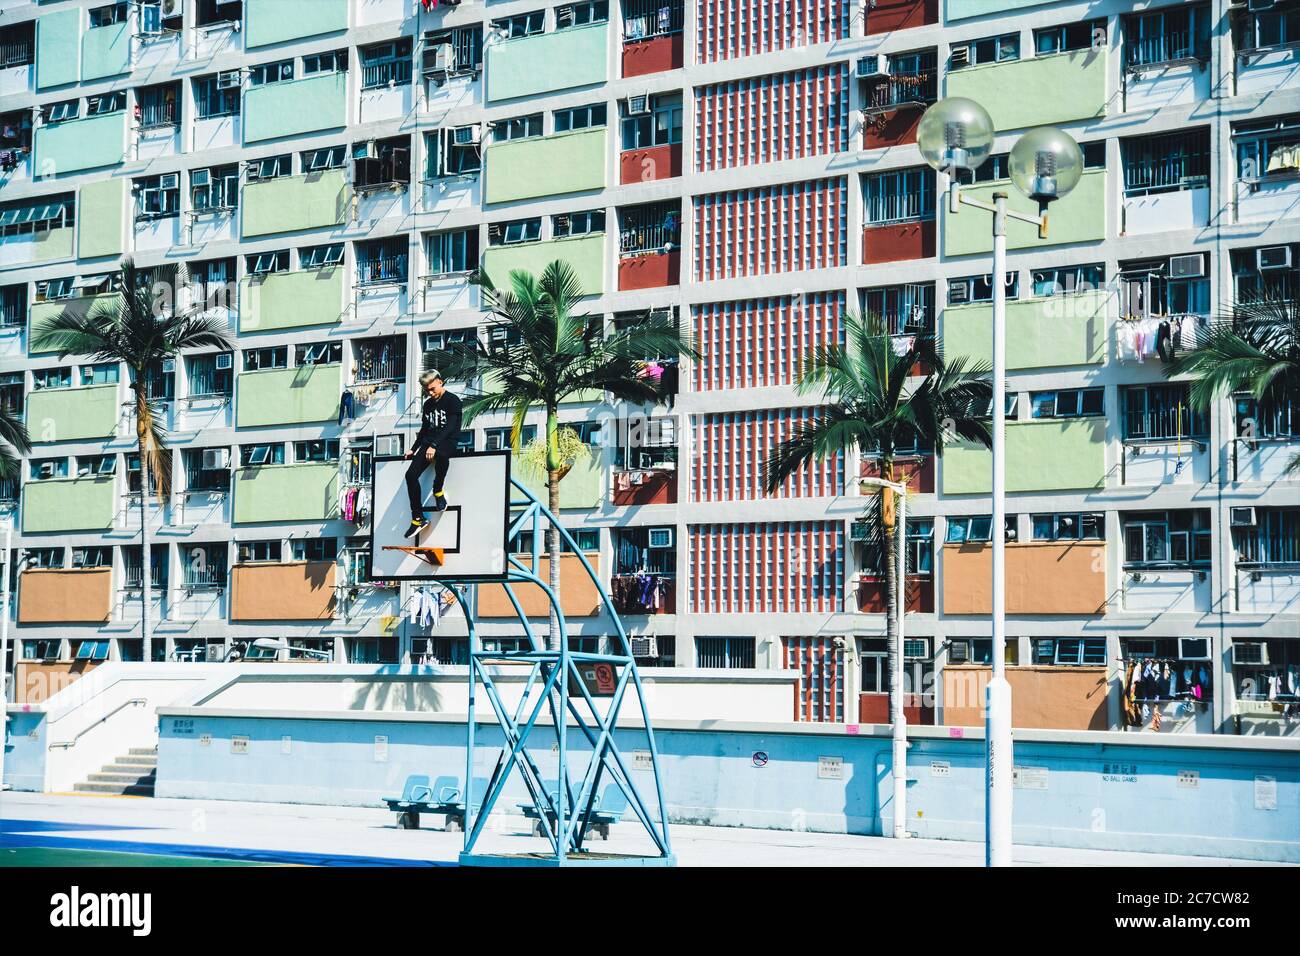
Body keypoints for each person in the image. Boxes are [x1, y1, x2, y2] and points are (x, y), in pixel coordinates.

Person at [403, 370, 463, 539]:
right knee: (410, 475)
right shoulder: (428, 405)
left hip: (447, 441)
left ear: (440, 382)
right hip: (429, 443)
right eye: (427, 390)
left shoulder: (453, 401)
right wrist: (413, 449)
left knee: (443, 455)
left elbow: (450, 426)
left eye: (432, 388)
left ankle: (438, 490)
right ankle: (417, 518)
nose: (430, 393)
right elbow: (424, 430)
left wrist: (435, 445)